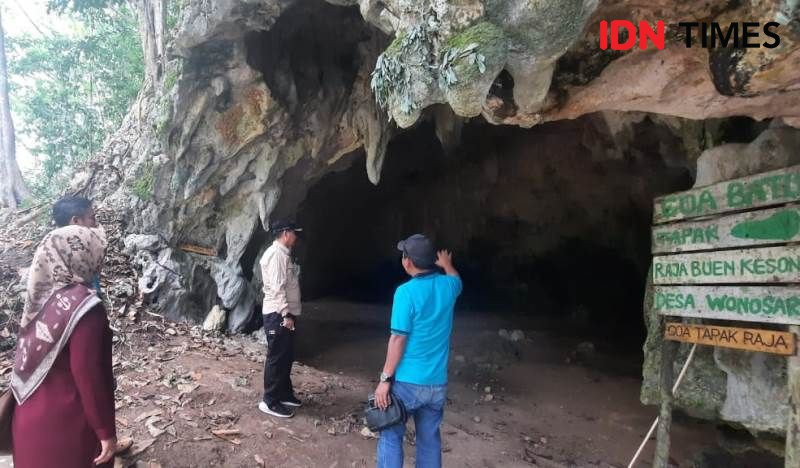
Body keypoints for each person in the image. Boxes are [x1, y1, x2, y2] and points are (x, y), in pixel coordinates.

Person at [10, 223, 117, 467]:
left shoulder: (39, 298)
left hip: (27, 419)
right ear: (81, 256)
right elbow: (87, 373)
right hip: (67, 424)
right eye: (96, 255)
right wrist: (104, 431)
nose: (98, 262)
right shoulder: (84, 307)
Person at [374, 234, 462, 468]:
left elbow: (398, 338)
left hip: (407, 382)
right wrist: (447, 265)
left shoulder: (405, 293)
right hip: (437, 383)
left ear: (408, 262)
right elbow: (455, 278)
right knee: (429, 440)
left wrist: (385, 379)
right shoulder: (449, 286)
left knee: (391, 436)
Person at [258, 220, 304, 418]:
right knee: (276, 357)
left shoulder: (283, 254)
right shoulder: (276, 255)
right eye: (294, 233)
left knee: (286, 355)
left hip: (286, 314)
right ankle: (270, 401)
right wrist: (286, 314)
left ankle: (284, 393)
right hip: (278, 315)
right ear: (286, 233)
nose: (296, 236)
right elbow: (277, 289)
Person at [51, 196, 102, 294]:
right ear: (76, 221)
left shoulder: (58, 249)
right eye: (92, 218)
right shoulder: (75, 256)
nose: (96, 223)